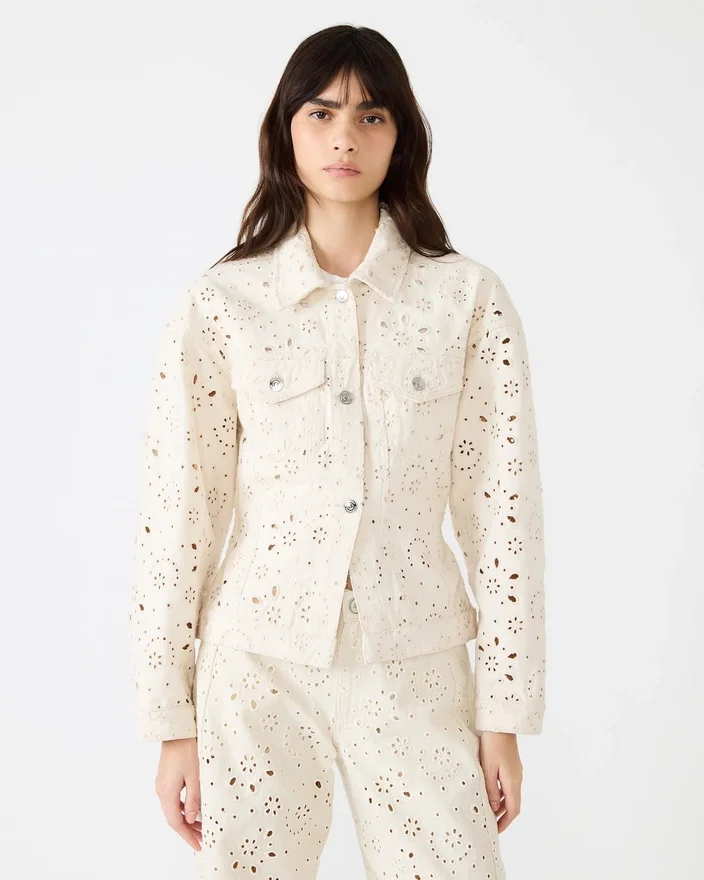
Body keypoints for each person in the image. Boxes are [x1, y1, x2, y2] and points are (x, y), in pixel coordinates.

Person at [128, 23, 546, 880]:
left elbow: (504, 515)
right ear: (286, 129)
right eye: (321, 113)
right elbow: (179, 516)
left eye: (371, 116)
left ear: (403, 135)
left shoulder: (467, 299)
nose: (345, 137)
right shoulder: (223, 305)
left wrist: (503, 711)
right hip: (256, 668)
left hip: (418, 663)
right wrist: (171, 721)